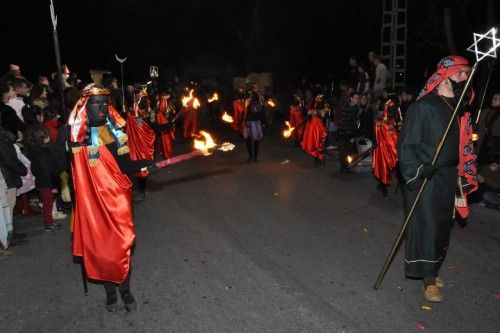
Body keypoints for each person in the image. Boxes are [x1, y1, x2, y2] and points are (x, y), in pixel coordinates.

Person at [68, 83, 156, 312]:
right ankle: (110, 293)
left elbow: (125, 165)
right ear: (85, 107)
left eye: (105, 103)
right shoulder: (75, 137)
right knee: (101, 248)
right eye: (96, 103)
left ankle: (125, 290)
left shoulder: (113, 133)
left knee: (121, 245)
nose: (102, 107)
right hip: (92, 203)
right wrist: (67, 146)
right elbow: (69, 171)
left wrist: (146, 165)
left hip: (117, 200)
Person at [398, 55, 478, 302]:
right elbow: (407, 147)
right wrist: (420, 170)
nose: (466, 79)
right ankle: (428, 280)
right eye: (462, 74)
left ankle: (432, 268)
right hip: (427, 178)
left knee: (444, 226)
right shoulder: (423, 107)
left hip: (448, 177)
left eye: (467, 74)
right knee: (428, 227)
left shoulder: (456, 109)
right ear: (446, 76)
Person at [0, 119, 27, 249]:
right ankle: (8, 237)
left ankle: (11, 235)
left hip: (6, 175)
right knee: (8, 207)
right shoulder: (2, 138)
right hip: (6, 176)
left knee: (9, 206)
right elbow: (9, 159)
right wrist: (22, 169)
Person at [127, 86, 156, 199]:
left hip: (147, 143)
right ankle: (140, 191)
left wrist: (156, 123)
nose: (146, 101)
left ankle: (142, 191)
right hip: (138, 144)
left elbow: (152, 126)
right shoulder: (134, 112)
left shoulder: (150, 111)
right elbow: (139, 128)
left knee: (145, 166)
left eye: (146, 99)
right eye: (143, 100)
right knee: (140, 167)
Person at [372, 91, 402, 197]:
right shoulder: (381, 122)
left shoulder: (394, 120)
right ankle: (383, 185)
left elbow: (398, 126)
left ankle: (401, 184)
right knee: (383, 166)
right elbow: (378, 131)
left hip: (393, 148)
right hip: (383, 148)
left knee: (398, 163)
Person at [301, 94, 329, 166]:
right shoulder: (313, 108)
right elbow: (309, 115)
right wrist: (310, 113)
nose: (318, 100)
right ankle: (317, 159)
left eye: (319, 99)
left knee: (320, 144)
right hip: (315, 130)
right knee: (315, 143)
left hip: (321, 129)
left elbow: (325, 114)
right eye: (317, 99)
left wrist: (318, 113)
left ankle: (319, 159)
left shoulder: (325, 108)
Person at [336, 92, 359, 172]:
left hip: (349, 132)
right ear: (351, 98)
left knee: (348, 150)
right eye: (355, 98)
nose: (357, 100)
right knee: (343, 151)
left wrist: (352, 134)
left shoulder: (355, 108)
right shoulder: (345, 107)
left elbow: (353, 121)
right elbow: (343, 121)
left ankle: (345, 166)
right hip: (342, 132)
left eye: (358, 98)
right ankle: (344, 167)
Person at [244, 88, 265, 163]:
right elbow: (245, 112)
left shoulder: (260, 102)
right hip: (250, 122)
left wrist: (263, 123)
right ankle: (251, 156)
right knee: (248, 140)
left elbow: (262, 112)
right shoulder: (248, 101)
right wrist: (245, 120)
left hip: (256, 123)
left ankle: (254, 157)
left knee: (256, 141)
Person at [156, 90, 176, 159]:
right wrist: (169, 114)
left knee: (163, 137)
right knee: (166, 138)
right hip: (163, 120)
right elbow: (164, 110)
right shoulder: (163, 100)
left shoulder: (162, 100)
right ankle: (167, 154)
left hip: (161, 119)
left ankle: (164, 151)